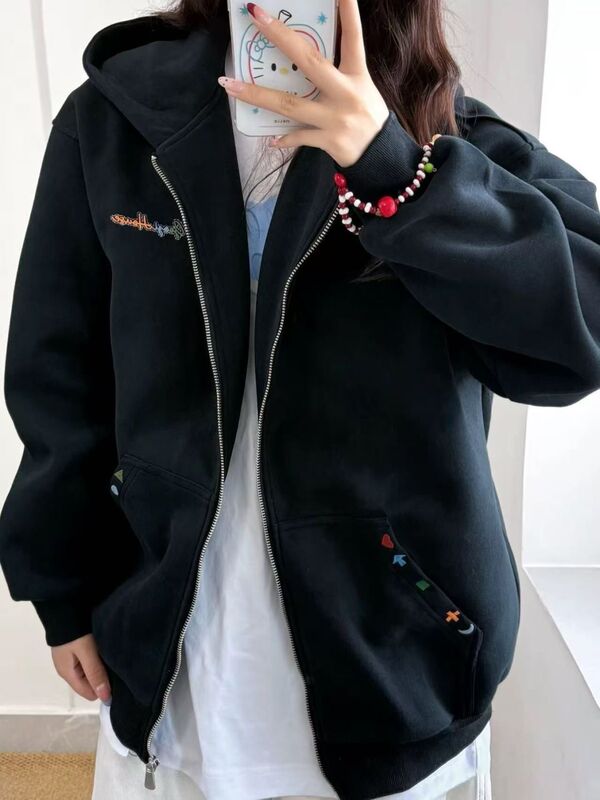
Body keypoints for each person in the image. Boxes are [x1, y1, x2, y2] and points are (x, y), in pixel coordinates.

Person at [1, 1, 599, 799]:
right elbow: (56, 375)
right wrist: (62, 588)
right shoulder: (113, 123)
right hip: (171, 656)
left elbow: (582, 331)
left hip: (398, 670)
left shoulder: (445, 135)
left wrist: (394, 173)